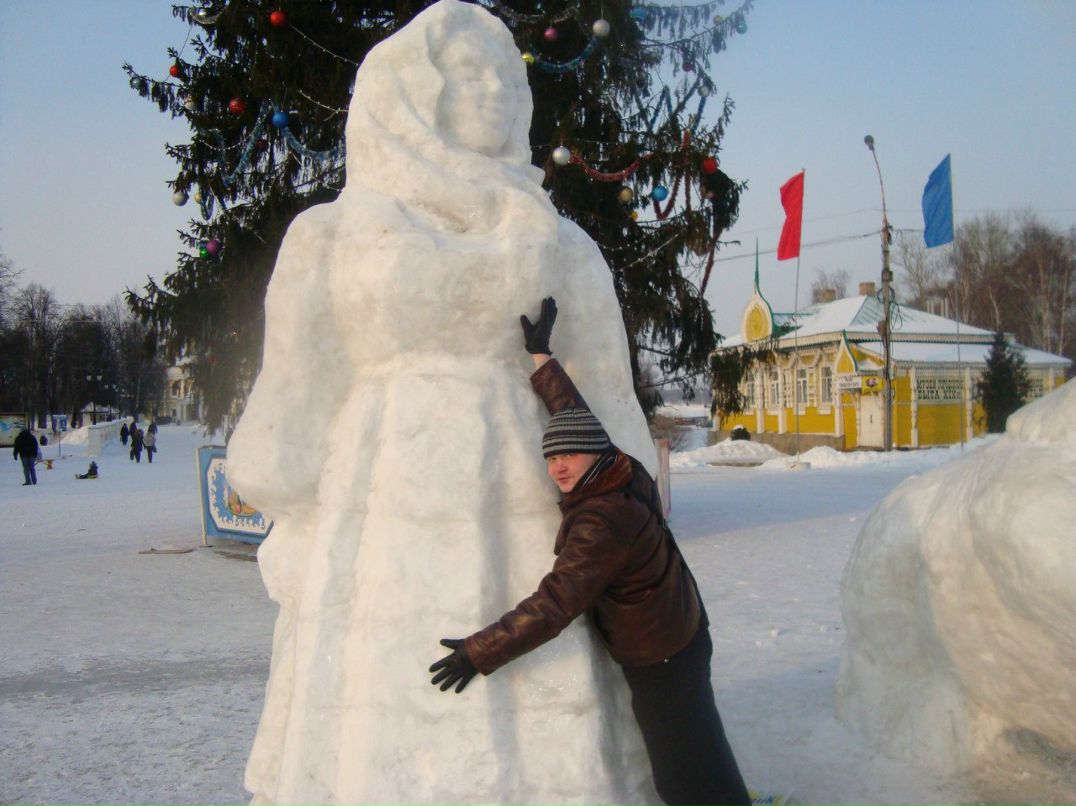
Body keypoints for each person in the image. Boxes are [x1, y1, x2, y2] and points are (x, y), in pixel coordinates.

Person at [429, 298, 751, 806]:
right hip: (679, 626)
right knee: (700, 742)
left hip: (661, 651)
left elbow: (556, 603)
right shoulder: (617, 468)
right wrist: (542, 356)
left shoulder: (601, 521)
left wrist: (479, 651)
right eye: (551, 456)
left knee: (679, 773)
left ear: (594, 452)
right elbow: (574, 417)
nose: (558, 466)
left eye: (569, 455)